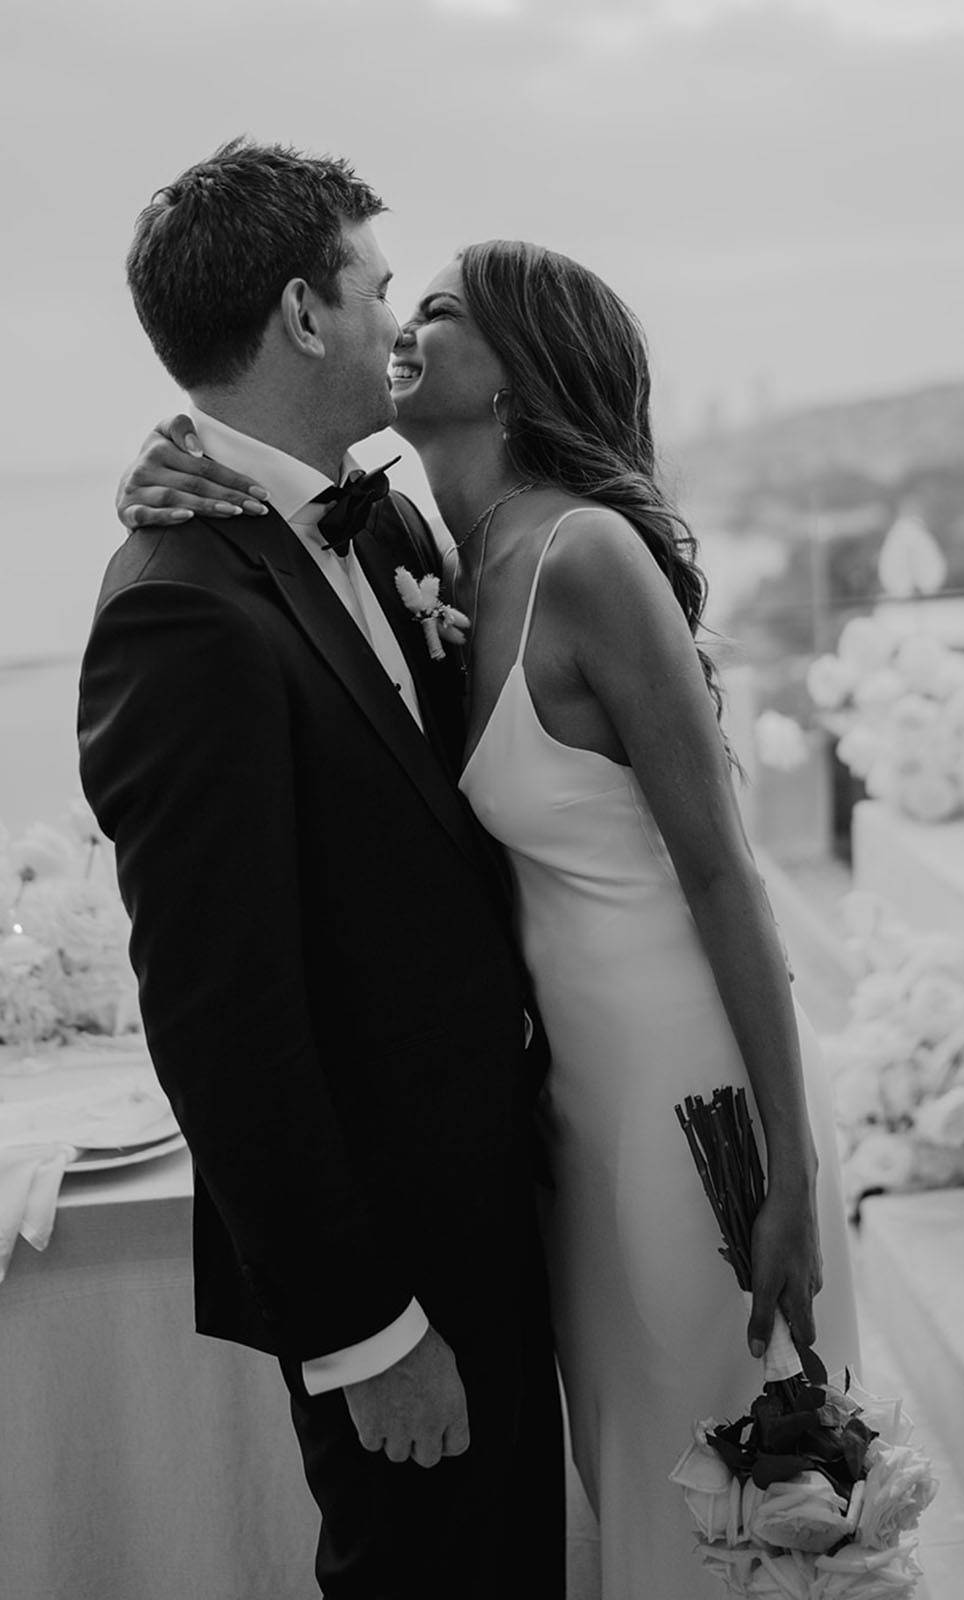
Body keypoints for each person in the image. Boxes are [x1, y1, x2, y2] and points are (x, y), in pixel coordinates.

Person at [119, 239, 861, 1599]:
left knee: (729, 1470)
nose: (402, 320)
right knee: (637, 1466)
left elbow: (725, 874)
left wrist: (795, 1170)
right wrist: (174, 472)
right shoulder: (432, 551)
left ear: (518, 376)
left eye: (443, 308)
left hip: (684, 1092)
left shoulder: (587, 558)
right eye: (395, 295)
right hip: (566, 1109)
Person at [79, 143, 564, 1600]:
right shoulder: (179, 615)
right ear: (303, 313)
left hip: (493, 1186)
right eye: (377, 289)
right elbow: (222, 1018)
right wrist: (368, 1330)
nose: (396, 321)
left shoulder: (390, 517)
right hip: (393, 1255)